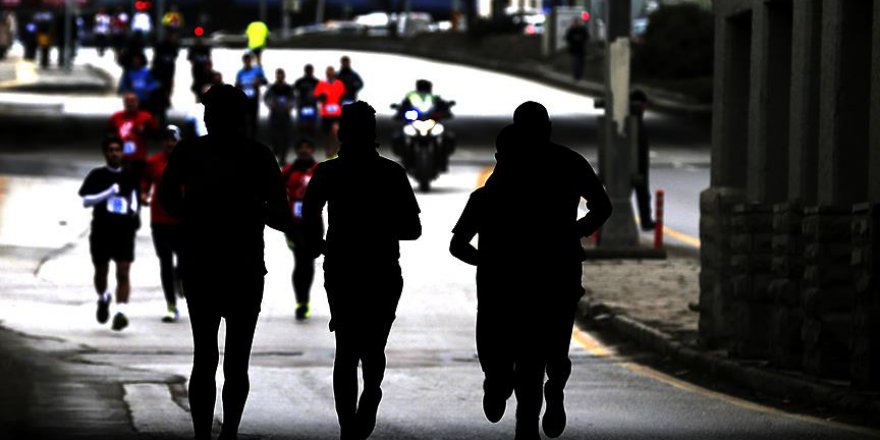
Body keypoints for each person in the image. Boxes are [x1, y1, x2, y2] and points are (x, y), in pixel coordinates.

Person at [465, 102, 611, 440]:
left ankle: (513, 385)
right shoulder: (570, 161)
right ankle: (553, 388)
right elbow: (602, 206)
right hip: (557, 268)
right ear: (547, 127)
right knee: (556, 345)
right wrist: (575, 231)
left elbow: (475, 220)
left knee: (505, 338)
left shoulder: (508, 166)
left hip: (514, 273)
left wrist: (486, 260)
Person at [158, 84, 294, 440]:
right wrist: (253, 208)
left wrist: (194, 215)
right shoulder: (259, 155)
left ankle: (204, 434)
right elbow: (281, 215)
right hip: (245, 269)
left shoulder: (189, 152)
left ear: (212, 116)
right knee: (237, 362)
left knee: (204, 357)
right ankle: (228, 433)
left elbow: (166, 200)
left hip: (201, 266)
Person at [302, 101, 421, 440]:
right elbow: (412, 229)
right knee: (374, 347)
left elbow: (309, 219)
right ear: (374, 134)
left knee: (346, 347)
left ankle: (346, 428)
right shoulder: (392, 173)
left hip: (341, 268)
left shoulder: (326, 173)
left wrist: (318, 245)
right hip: (383, 268)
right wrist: (380, 229)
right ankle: (371, 395)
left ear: (341, 132)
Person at [79, 136, 141, 332]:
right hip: (102, 230)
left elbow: (135, 199)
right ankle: (103, 297)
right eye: (110, 150)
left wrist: (133, 210)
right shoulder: (97, 175)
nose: (114, 153)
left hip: (124, 230)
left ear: (123, 152)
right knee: (101, 270)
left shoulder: (130, 175)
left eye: (117, 150)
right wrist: (107, 193)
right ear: (105, 153)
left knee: (123, 271)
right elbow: (86, 201)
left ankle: (121, 312)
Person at [142, 125, 185, 323]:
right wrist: (142, 193)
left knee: (187, 260)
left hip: (184, 220)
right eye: (167, 140)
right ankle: (171, 304)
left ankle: (180, 278)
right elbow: (144, 183)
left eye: (173, 140)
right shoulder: (153, 162)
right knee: (165, 262)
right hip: (159, 220)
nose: (170, 144)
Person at [281, 138, 320, 320]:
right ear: (296, 151)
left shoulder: (319, 170)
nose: (304, 151)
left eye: (307, 148)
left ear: (312, 150)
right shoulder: (288, 171)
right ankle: (301, 300)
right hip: (294, 224)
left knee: (309, 260)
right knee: (300, 260)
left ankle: (306, 297)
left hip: (314, 223)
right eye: (301, 148)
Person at [107, 92, 159, 182]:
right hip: (120, 158)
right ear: (124, 103)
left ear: (138, 102)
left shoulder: (146, 117)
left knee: (137, 185)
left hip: (138, 159)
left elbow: (156, 134)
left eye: (133, 101)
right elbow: (109, 135)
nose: (130, 103)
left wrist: (143, 131)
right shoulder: (116, 117)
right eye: (127, 101)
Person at [630, 89, 655, 230]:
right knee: (643, 195)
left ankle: (646, 221)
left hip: (634, 163)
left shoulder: (632, 119)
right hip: (638, 164)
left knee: (643, 195)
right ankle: (646, 222)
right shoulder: (636, 122)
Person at [313, 66, 346, 157]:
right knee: (327, 134)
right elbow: (316, 96)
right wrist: (322, 97)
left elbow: (343, 95)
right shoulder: (321, 83)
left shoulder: (339, 83)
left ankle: (335, 150)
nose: (330, 73)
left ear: (334, 73)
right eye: (328, 72)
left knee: (335, 131)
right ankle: (327, 150)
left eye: (331, 72)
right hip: (325, 113)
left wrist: (341, 102)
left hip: (336, 112)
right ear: (326, 73)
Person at [264, 68, 295, 164]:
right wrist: (270, 104)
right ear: (276, 76)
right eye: (278, 74)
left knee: (286, 137)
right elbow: (266, 98)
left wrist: (290, 105)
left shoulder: (288, 88)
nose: (280, 76)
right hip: (275, 115)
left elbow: (293, 99)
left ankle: (283, 158)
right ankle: (276, 154)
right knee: (274, 137)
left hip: (285, 115)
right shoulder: (272, 88)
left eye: (281, 74)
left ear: (284, 76)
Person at [235, 52, 267, 138]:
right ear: (243, 61)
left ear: (251, 61)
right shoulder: (240, 72)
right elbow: (236, 85)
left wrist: (258, 81)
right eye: (245, 60)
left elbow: (265, 81)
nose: (247, 62)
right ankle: (244, 138)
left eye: (249, 60)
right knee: (243, 120)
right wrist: (238, 85)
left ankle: (254, 138)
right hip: (243, 100)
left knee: (253, 120)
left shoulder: (256, 71)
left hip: (253, 99)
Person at [151, 31, 181, 121]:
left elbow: (175, 56)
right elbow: (156, 59)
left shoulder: (173, 46)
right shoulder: (161, 46)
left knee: (168, 86)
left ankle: (166, 100)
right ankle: (162, 102)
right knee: (161, 87)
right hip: (161, 71)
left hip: (169, 70)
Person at [293, 64, 319, 139]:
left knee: (312, 125)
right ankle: (302, 141)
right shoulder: (299, 81)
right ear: (305, 71)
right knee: (302, 125)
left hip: (312, 106)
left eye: (310, 70)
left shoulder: (316, 82)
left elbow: (320, 93)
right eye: (307, 70)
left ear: (312, 71)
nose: (309, 72)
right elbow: (294, 92)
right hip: (302, 106)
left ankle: (311, 142)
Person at [187, 36, 212, 102]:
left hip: (204, 69)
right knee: (198, 83)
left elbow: (208, 59)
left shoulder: (206, 49)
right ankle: (199, 97)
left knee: (204, 84)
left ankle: (203, 97)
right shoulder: (193, 49)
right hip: (196, 69)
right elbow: (190, 58)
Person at [564, 17, 589, 81]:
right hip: (574, 50)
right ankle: (576, 76)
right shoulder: (571, 30)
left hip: (580, 50)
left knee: (580, 64)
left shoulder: (582, 29)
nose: (576, 23)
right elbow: (567, 38)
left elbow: (586, 37)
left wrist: (580, 39)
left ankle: (579, 76)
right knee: (575, 63)